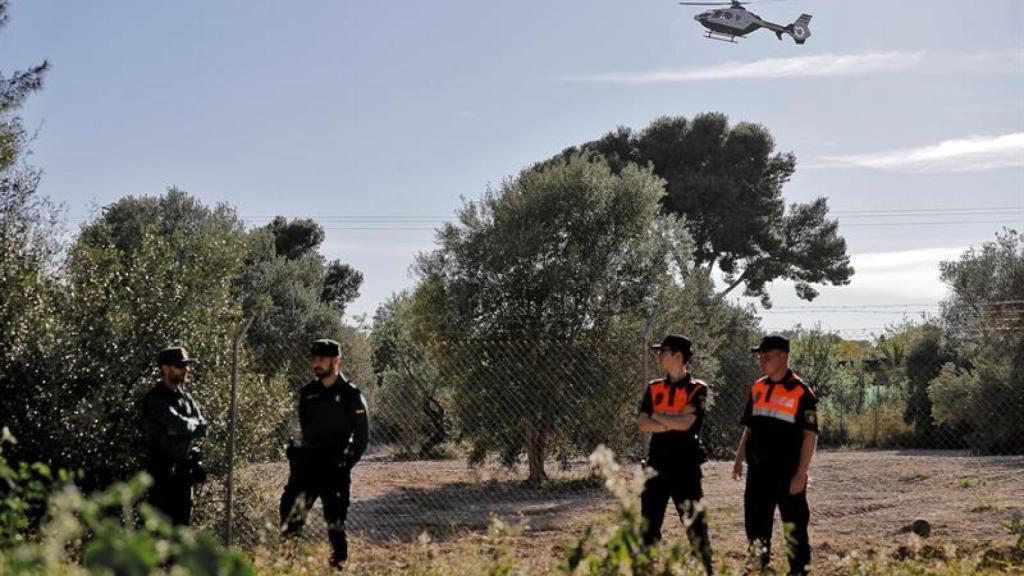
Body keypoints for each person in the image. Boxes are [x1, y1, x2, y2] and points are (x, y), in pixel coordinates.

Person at [280, 338, 369, 570]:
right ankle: (286, 568)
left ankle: (337, 568)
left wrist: (344, 464)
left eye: (321, 359)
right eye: (314, 359)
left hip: (334, 468)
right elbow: (306, 428)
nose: (316, 364)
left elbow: (361, 439)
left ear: (336, 360)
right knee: (291, 521)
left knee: (335, 525)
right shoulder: (308, 393)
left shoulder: (351, 395)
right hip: (307, 467)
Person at [733, 335, 819, 575]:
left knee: (794, 528)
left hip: (788, 473)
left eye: (766, 356)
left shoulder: (802, 392)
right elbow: (750, 427)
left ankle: (799, 571)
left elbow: (810, 436)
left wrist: (801, 474)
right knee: (755, 526)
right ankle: (759, 568)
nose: (761, 361)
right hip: (758, 472)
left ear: (783, 357)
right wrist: (739, 458)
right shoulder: (758, 387)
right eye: (759, 356)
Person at [638, 334, 713, 574]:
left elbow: (686, 424)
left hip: (686, 468)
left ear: (678, 356)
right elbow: (643, 424)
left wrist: (657, 416)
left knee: (696, 525)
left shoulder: (698, 389)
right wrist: (671, 422)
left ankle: (704, 569)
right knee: (649, 525)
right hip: (656, 466)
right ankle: (647, 568)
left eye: (663, 352)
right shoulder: (654, 387)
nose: (658, 356)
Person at [142, 346, 208, 526]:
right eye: (180, 365)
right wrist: (188, 426)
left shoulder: (186, 398)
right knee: (160, 531)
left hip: (183, 475)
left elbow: (203, 427)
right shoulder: (156, 398)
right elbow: (178, 423)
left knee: (182, 529)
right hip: (162, 475)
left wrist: (183, 429)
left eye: (186, 365)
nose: (186, 369)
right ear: (165, 369)